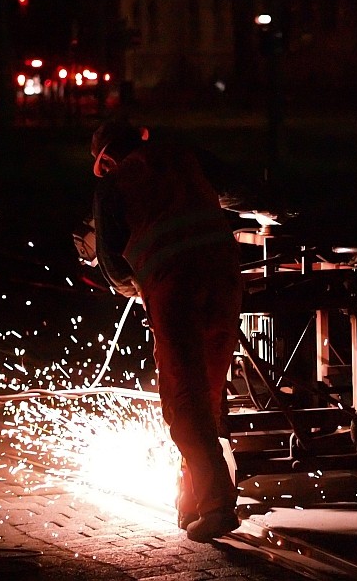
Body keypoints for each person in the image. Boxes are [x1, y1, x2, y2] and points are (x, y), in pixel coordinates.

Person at [89, 118, 243, 542]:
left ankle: (216, 505)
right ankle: (192, 499)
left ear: (106, 160)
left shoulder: (113, 185)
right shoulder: (185, 155)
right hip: (226, 277)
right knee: (208, 392)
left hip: (176, 287)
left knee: (182, 396)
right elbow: (237, 190)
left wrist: (136, 288)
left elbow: (112, 265)